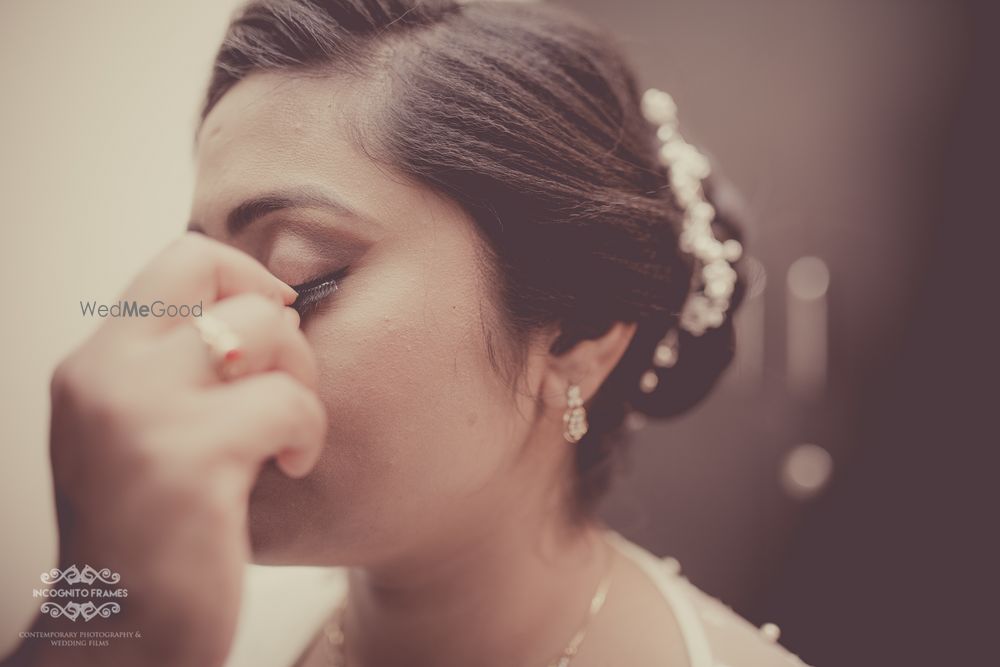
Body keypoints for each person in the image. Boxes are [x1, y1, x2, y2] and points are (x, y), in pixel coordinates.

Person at [6, 1, 812, 665]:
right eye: (208, 277)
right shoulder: (195, 621)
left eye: (301, 277)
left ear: (578, 338)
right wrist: (99, 607)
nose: (209, 343)